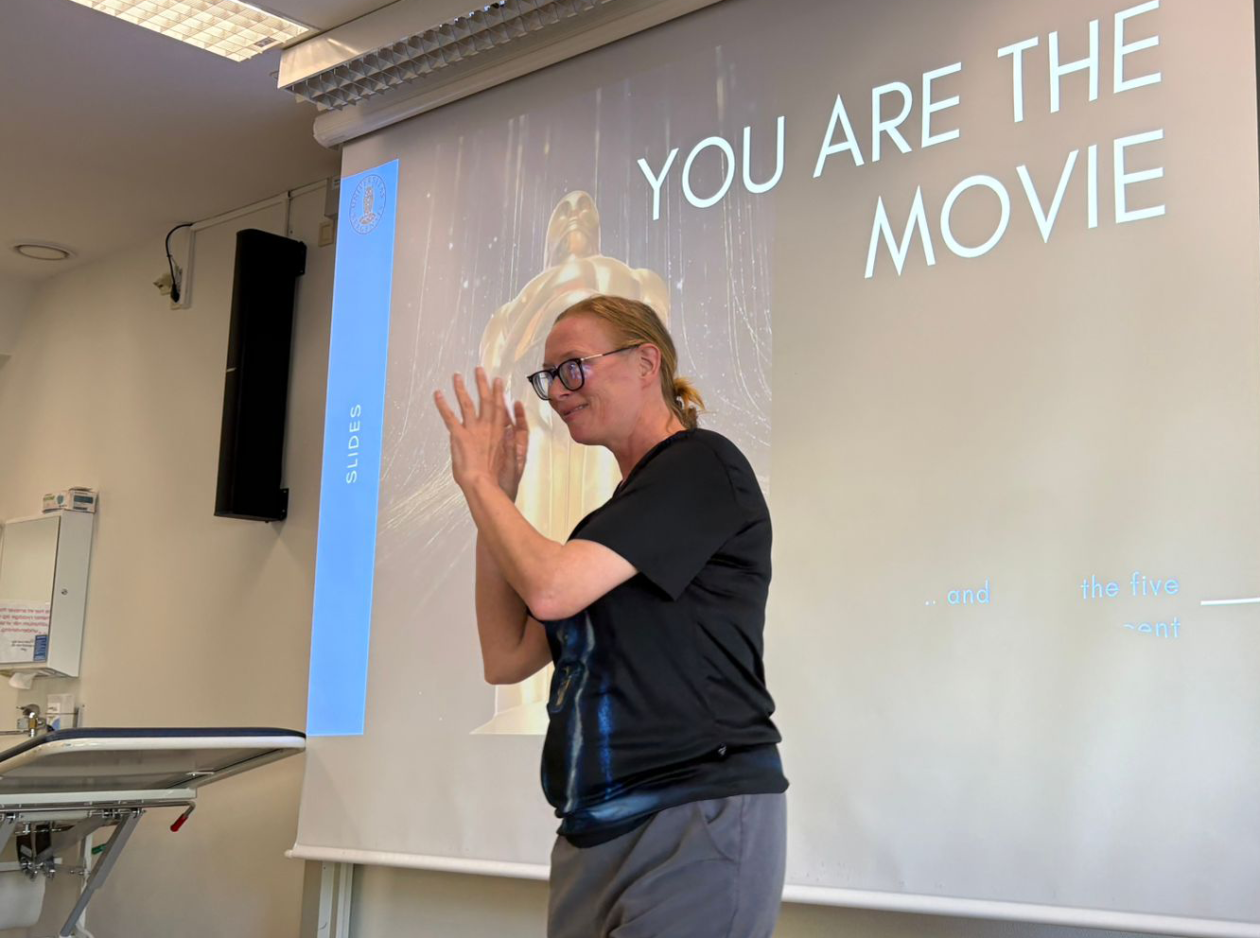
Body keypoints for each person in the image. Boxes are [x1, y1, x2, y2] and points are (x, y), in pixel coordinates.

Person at [434, 294, 787, 938]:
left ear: (646, 361)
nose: (559, 392)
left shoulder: (701, 464)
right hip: (591, 827)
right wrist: (498, 501)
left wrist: (479, 484)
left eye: (573, 367)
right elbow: (507, 654)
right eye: (548, 379)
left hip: (692, 812)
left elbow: (548, 590)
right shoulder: (604, 530)